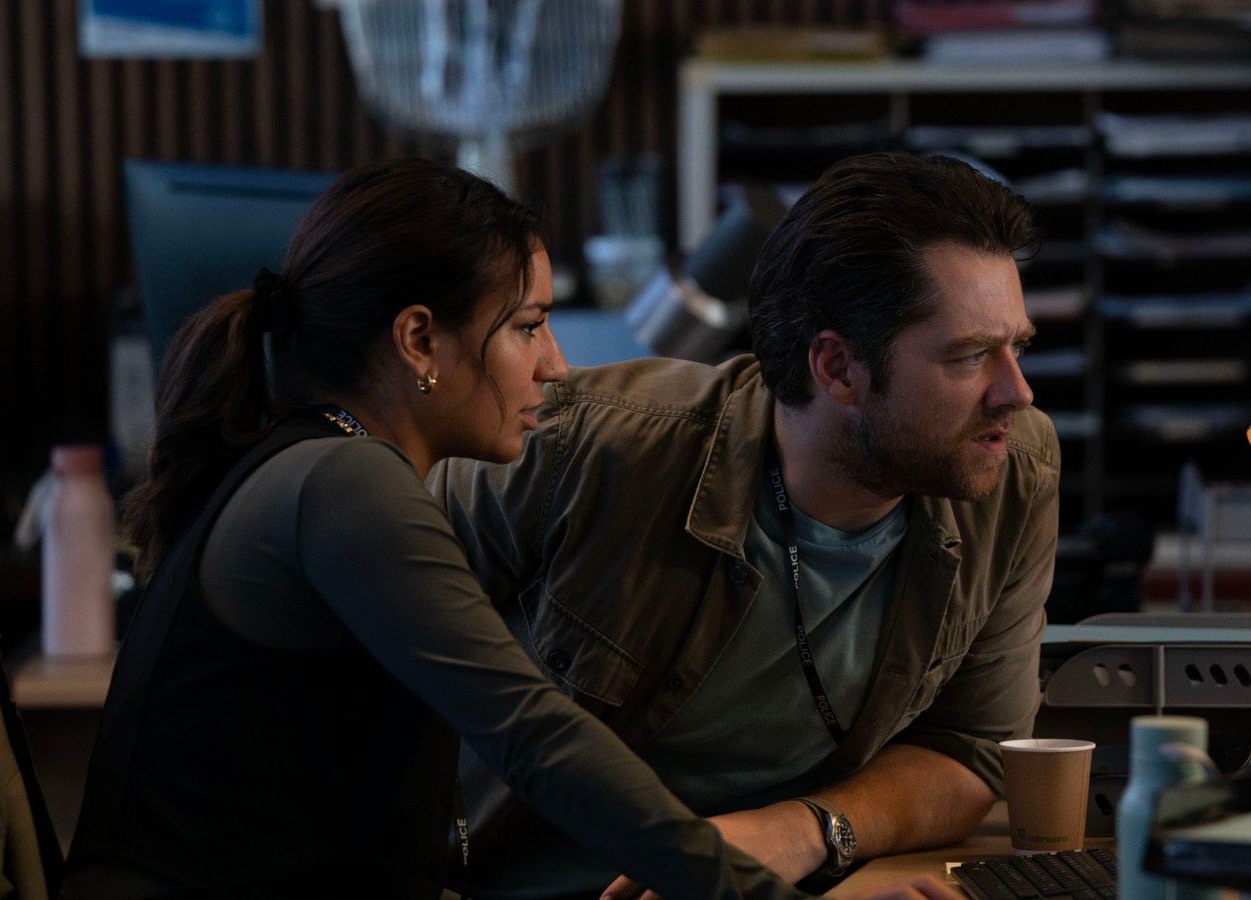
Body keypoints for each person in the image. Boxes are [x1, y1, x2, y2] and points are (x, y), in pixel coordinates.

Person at [61, 157, 936, 900]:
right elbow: (536, 738)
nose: (556, 365)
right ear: (417, 341)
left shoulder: (323, 463)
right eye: (528, 326)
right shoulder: (347, 483)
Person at [432, 151, 1059, 899]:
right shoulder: (582, 450)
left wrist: (801, 831)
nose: (1015, 393)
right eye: (968, 358)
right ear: (835, 368)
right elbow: (341, 659)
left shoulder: (1013, 470)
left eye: (1017, 347)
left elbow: (970, 750)